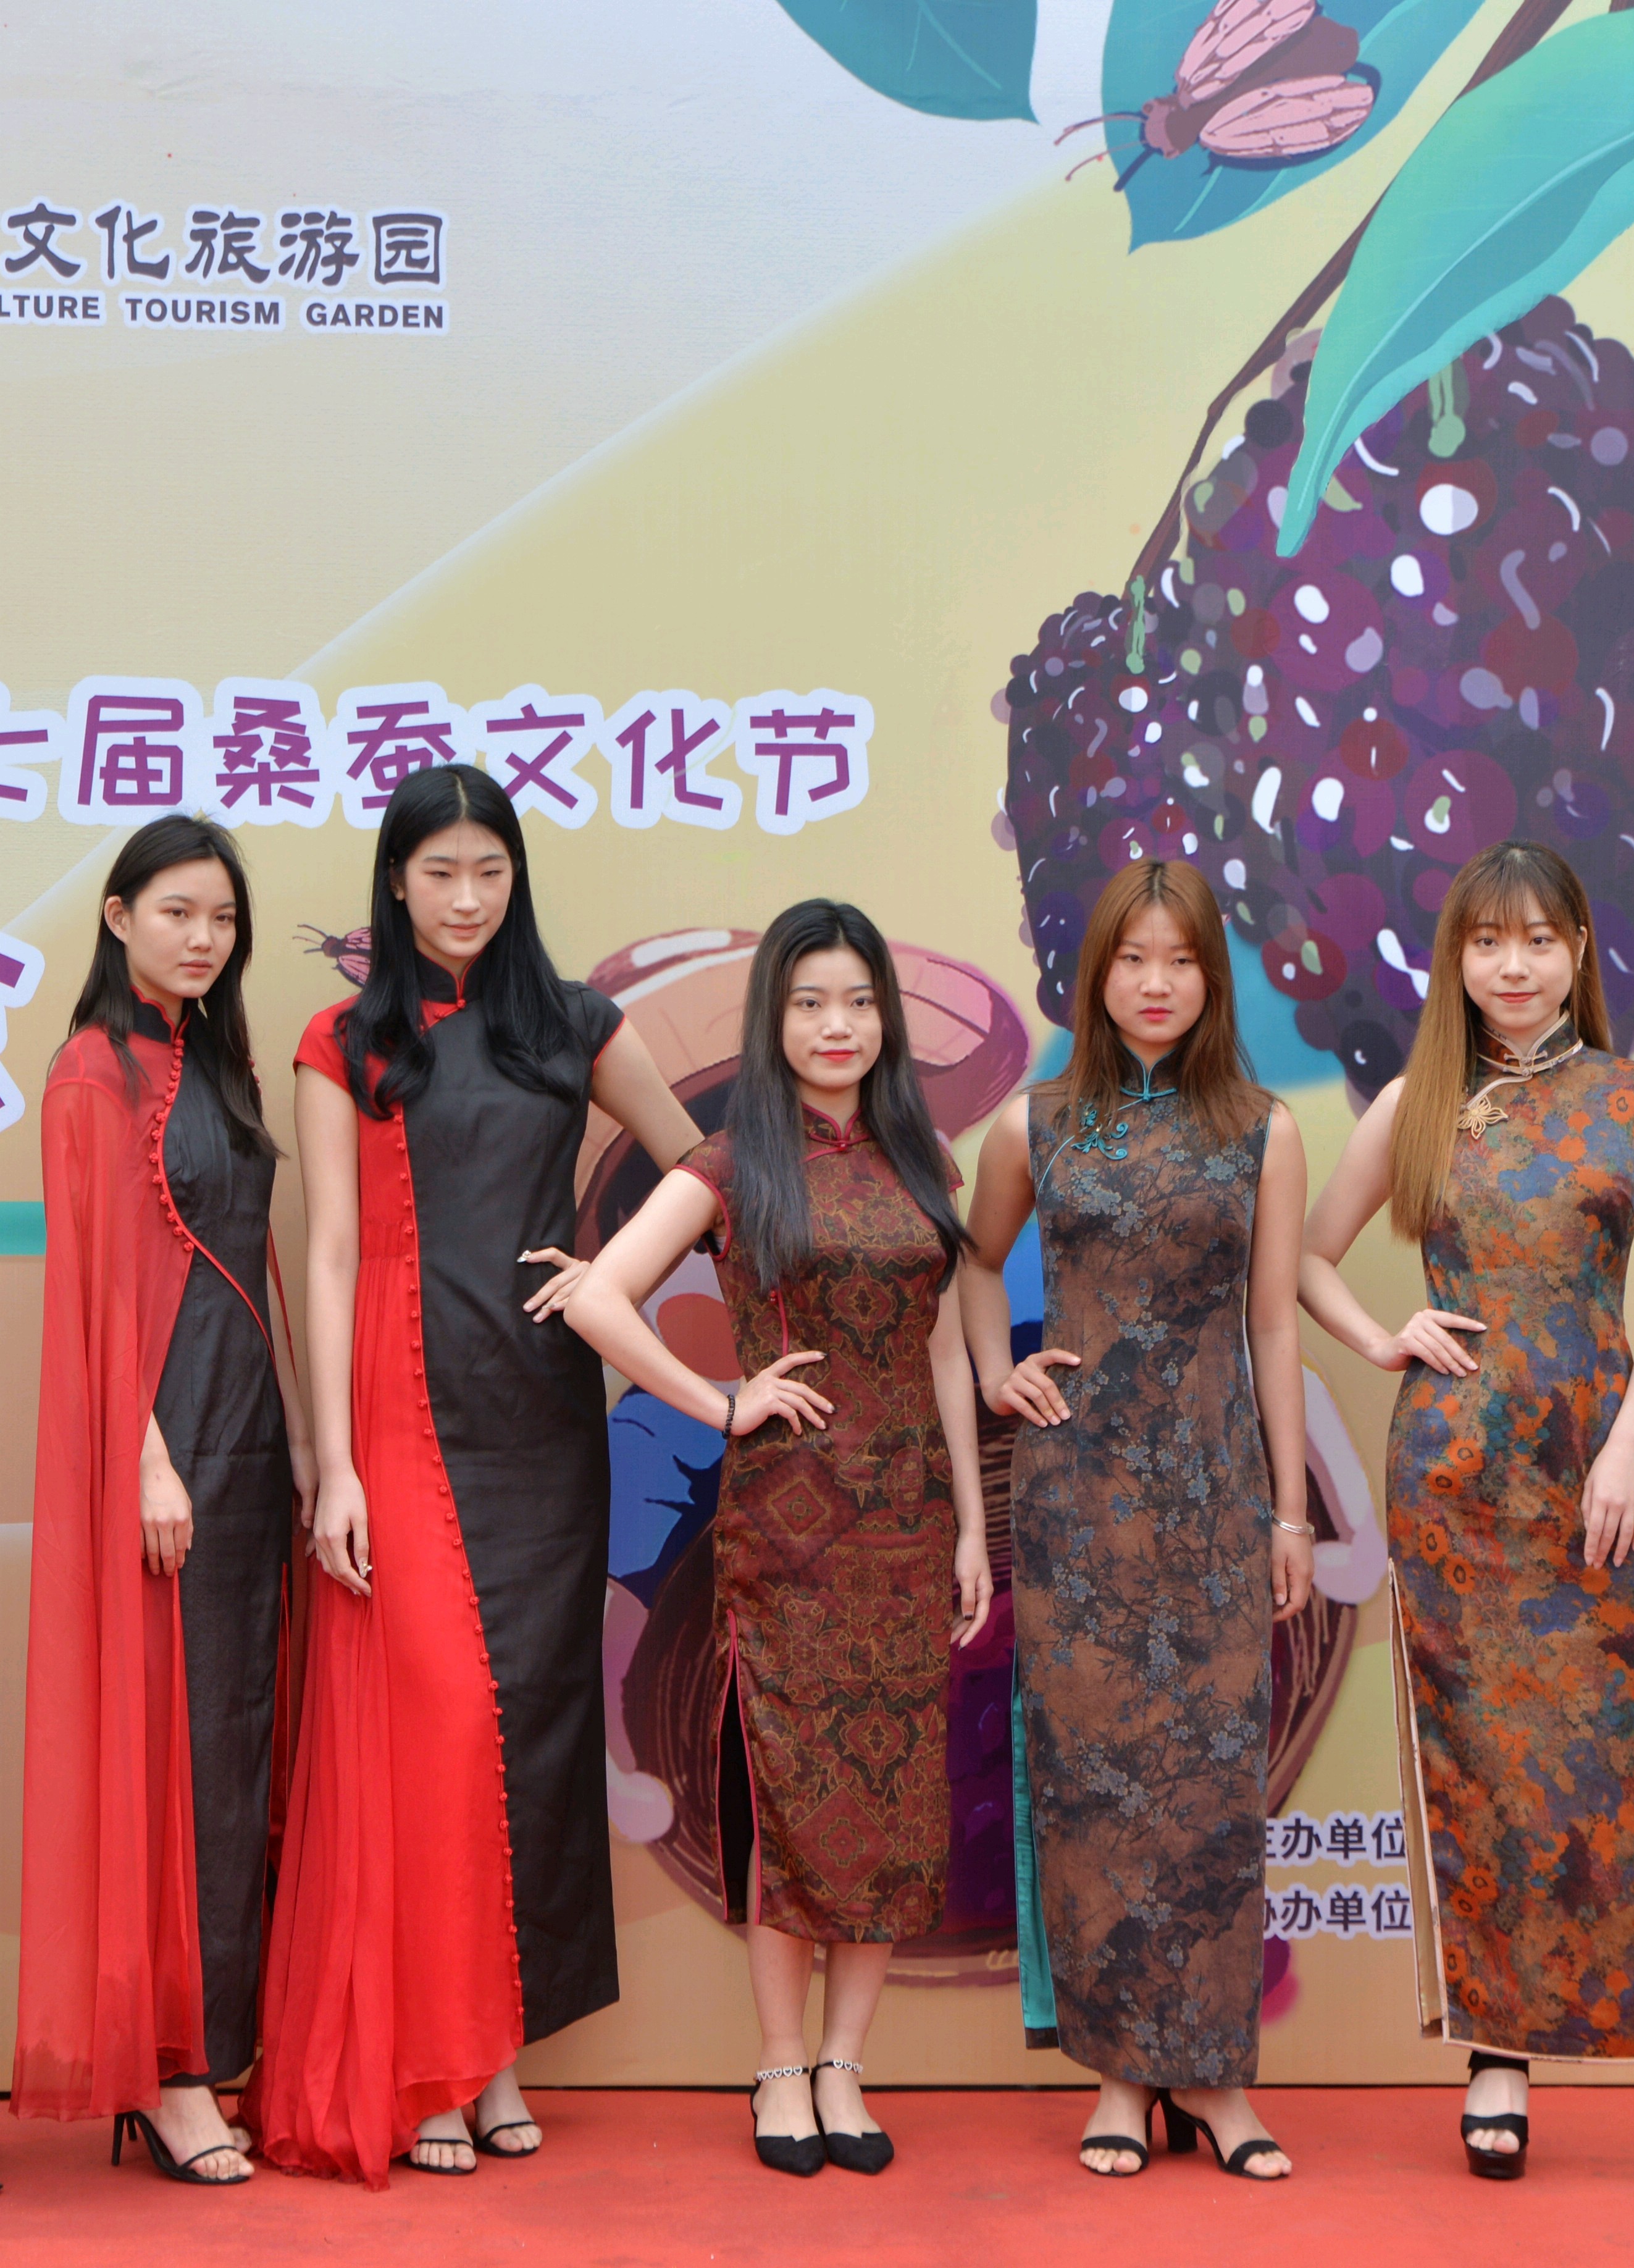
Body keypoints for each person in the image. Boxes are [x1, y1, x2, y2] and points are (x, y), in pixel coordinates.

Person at [1296, 840, 1634, 2191]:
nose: (1510, 967)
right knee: (1481, 1757)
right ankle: (1496, 2054)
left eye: (1536, 941)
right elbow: (1300, 1256)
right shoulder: (1416, 1103)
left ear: (1578, 950)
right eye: (1485, 943)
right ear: (1454, 958)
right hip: (1454, 1477)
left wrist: (1628, 1440)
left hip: (1595, 1469)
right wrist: (1384, 1336)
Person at [252, 763, 705, 2185]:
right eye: (439, 872)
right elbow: (328, 1254)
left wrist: (610, 1276)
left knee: (533, 1736)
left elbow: (700, 1166)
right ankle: (429, 2062)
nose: (464, 898)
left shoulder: (573, 1024)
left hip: (545, 1425)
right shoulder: (346, 1040)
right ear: (395, 881)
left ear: (515, 879)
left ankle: (495, 2053)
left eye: (488, 872)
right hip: (398, 1408)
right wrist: (332, 1465)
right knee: (435, 1735)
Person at [562, 901, 990, 2178]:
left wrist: (974, 1522)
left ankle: (847, 2062)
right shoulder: (728, 1161)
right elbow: (597, 1298)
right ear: (774, 1020)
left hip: (909, 1527)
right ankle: (780, 2066)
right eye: (809, 1003)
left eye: (857, 1001)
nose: (836, 1025)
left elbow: (946, 1356)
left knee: (893, 1797)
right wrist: (720, 1402)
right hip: (787, 1533)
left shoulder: (924, 1158)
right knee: (790, 1796)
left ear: (885, 1017)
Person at [957, 857, 1312, 2182]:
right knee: (1095, 1789)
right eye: (1131, 960)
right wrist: (997, 1372)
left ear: (1211, 978)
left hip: (1217, 1500)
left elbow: (1274, 1326)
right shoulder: (1034, 1125)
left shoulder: (1263, 1130)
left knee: (1211, 1794)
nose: (1155, 984)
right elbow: (972, 1265)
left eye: (1181, 961)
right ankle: (1117, 2077)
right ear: (1094, 975)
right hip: (1077, 1505)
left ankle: (1213, 2082)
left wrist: (1287, 1515)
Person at [17, 818, 314, 2186]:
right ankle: (173, 2071)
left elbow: (255, 1258)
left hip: (251, 1441)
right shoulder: (92, 1069)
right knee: (174, 1754)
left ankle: (225, 2049)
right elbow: (90, 1287)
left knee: (239, 1748)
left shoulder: (220, 1061)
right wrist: (141, 1457)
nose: (203, 939)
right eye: (178, 913)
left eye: (223, 920)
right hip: (167, 1445)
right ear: (118, 916)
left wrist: (304, 1444)